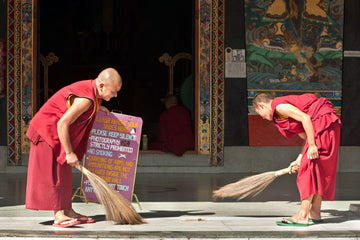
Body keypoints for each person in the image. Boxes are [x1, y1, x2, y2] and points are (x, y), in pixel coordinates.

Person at [25, 68, 122, 227]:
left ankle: (68, 210)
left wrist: (97, 109)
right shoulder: (87, 98)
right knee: (54, 174)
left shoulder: (93, 96)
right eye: (114, 91)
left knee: (64, 174)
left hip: (56, 133)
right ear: (102, 85)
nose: (115, 95)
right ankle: (58, 215)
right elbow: (62, 123)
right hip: (46, 132)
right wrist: (69, 152)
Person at [252, 92, 342, 226]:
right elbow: (306, 136)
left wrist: (312, 145)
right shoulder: (280, 118)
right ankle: (315, 213)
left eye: (259, 114)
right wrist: (300, 158)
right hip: (324, 127)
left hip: (323, 124)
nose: (263, 118)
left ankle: (302, 215)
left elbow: (305, 118)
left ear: (261, 106)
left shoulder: (278, 106)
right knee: (316, 170)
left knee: (307, 171)